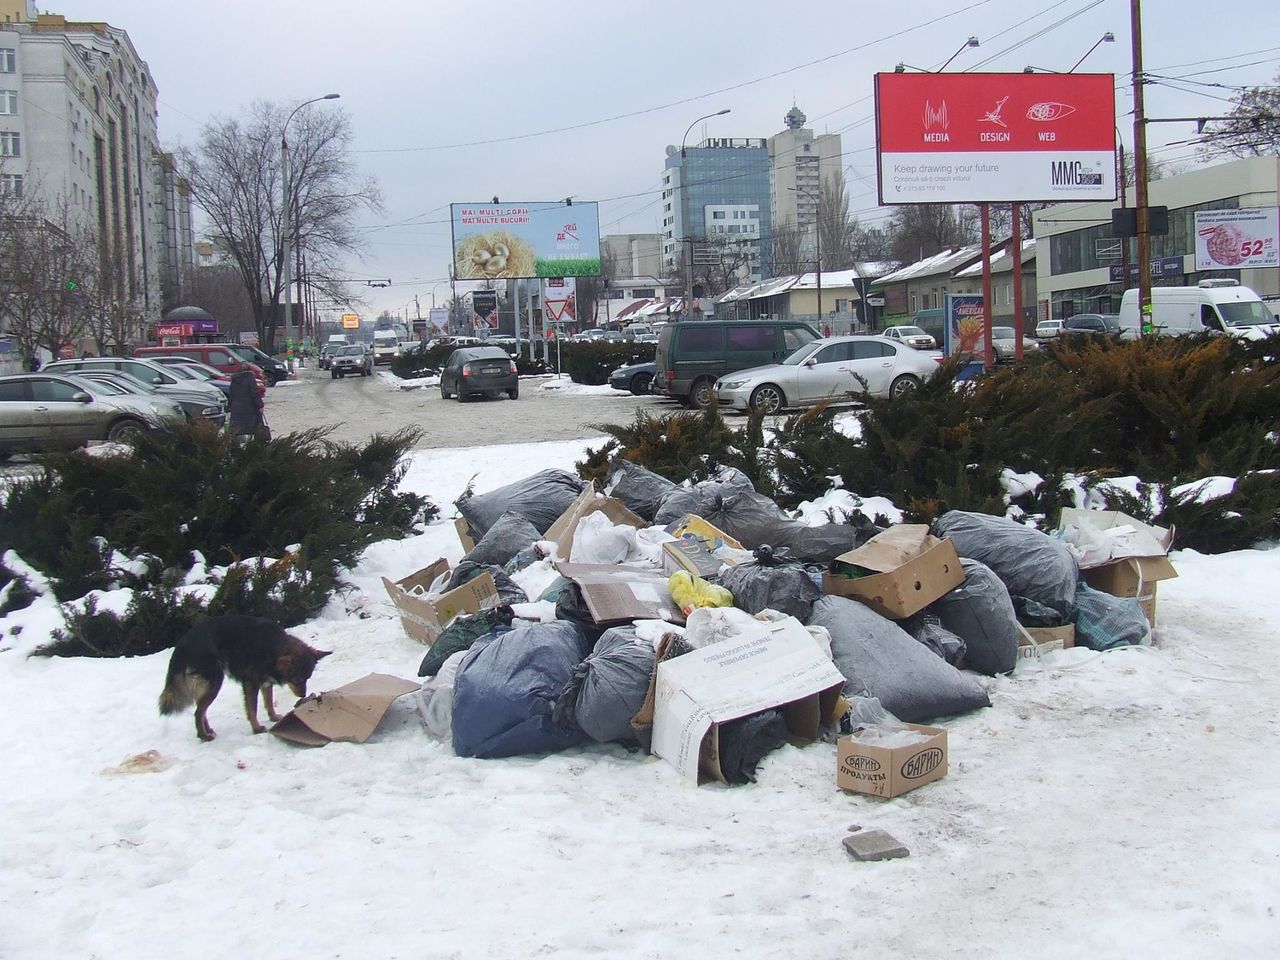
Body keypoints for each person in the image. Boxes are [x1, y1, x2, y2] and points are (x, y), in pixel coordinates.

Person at [227, 370, 265, 440]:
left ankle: (236, 444)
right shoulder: (250, 379)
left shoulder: (234, 380)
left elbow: (231, 395)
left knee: (237, 428)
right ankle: (254, 443)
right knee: (253, 426)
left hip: (236, 407)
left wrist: (229, 407)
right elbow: (254, 393)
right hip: (249, 407)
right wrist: (260, 405)